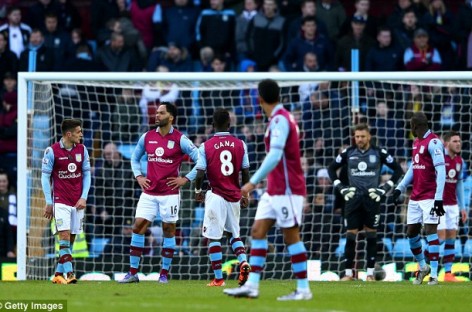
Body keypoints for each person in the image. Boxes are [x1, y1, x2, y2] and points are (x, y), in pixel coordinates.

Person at [223, 79, 312, 301]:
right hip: (274, 189)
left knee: (291, 236)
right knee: (257, 231)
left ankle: (303, 289)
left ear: (259, 99)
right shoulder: (278, 119)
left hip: (288, 189)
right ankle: (252, 286)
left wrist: (252, 182)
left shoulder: (281, 120)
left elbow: (275, 155)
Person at [119, 102, 199, 284]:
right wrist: (139, 176)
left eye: (161, 113)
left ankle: (163, 274)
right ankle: (132, 273)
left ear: (170, 117)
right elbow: (134, 157)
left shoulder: (181, 139)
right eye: (156, 113)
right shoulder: (147, 137)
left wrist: (185, 179)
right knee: (138, 227)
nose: (157, 115)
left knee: (168, 230)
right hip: (149, 192)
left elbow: (200, 160)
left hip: (170, 194)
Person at [327, 123, 403, 281]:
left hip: (371, 199)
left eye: (362, 136)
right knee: (350, 235)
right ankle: (348, 274)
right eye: (357, 136)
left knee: (371, 235)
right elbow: (331, 168)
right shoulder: (348, 152)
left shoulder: (378, 152)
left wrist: (384, 189)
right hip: (353, 198)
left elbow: (397, 169)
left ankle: (369, 274)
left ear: (369, 136)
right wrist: (341, 187)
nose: (359, 139)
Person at [193, 109, 251, 287]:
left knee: (213, 237)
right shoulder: (240, 144)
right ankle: (243, 261)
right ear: (229, 124)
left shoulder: (206, 146)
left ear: (212, 125)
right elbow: (246, 171)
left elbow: (200, 172)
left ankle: (219, 278)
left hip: (216, 194)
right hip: (234, 195)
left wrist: (197, 191)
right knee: (234, 234)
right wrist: (245, 193)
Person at [392, 112, 446, 285]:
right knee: (411, 232)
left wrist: (438, 199)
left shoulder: (434, 142)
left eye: (411, 127)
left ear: (415, 126)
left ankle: (435, 275)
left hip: (430, 196)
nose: (411, 130)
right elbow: (413, 168)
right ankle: (423, 267)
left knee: (430, 231)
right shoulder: (416, 142)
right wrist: (400, 188)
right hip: (415, 196)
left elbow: (442, 171)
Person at [41, 119, 91, 284]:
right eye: (78, 132)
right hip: (60, 200)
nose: (81, 135)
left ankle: (57, 274)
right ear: (69, 134)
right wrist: (49, 201)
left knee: (70, 240)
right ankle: (70, 275)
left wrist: (84, 196)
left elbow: (87, 174)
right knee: (64, 235)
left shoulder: (82, 150)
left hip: (77, 202)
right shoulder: (52, 151)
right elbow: (44, 177)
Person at [438, 131, 467, 282]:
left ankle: (448, 273)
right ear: (447, 143)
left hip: (453, 205)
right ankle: (422, 262)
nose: (458, 144)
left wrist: (462, 207)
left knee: (451, 237)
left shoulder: (460, 161)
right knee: (440, 237)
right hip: (438, 203)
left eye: (459, 141)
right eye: (455, 141)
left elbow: (459, 184)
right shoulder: (439, 159)